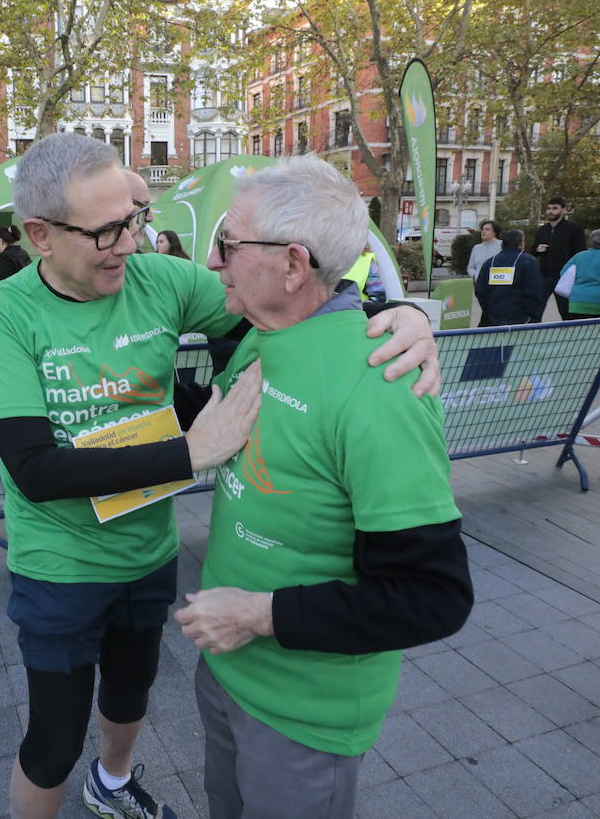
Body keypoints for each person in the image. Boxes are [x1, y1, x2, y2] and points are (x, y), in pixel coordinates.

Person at [0, 134, 440, 819]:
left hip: (147, 552)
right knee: (52, 739)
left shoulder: (154, 280)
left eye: (132, 220)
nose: (130, 244)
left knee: (131, 694)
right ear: (39, 234)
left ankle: (114, 782)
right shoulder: (1, 314)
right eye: (107, 231)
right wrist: (191, 452)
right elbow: (36, 471)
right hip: (60, 567)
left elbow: (286, 301)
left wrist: (394, 315)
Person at [174, 154, 472, 819]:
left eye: (226, 243)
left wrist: (255, 616)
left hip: (304, 717)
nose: (213, 261)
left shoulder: (381, 379)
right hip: (224, 671)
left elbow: (433, 597)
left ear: (292, 265)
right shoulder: (260, 334)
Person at [473, 230, 545, 325]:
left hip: (492, 319)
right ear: (521, 244)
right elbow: (535, 292)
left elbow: (480, 290)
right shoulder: (529, 261)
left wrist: (487, 311)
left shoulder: (490, 262)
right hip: (521, 320)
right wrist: (533, 316)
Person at [533, 196, 586, 320]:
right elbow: (533, 252)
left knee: (566, 310)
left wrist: (576, 273)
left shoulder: (574, 228)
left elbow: (581, 252)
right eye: (548, 208)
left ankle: (570, 336)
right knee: (536, 308)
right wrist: (537, 250)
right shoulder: (542, 230)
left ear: (564, 210)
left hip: (564, 275)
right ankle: (532, 334)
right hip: (544, 274)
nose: (550, 211)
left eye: (555, 208)